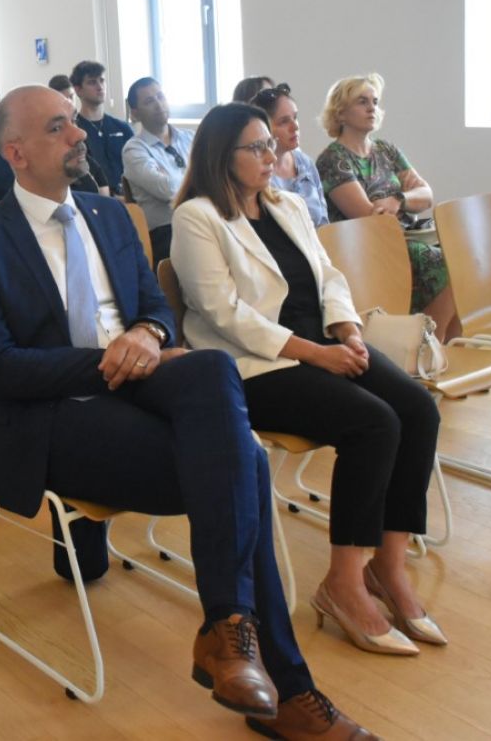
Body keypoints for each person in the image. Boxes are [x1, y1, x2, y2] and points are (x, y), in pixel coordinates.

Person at [0, 85, 377, 741]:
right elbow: (0, 367)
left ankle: (228, 630)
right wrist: (111, 359)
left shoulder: (110, 215)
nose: (79, 135)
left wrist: (148, 334)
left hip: (139, 383)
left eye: (74, 123)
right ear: (16, 153)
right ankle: (284, 686)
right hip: (53, 412)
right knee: (243, 467)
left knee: (211, 369)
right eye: (59, 127)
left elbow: (154, 308)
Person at [171, 102, 446, 663]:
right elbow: (224, 314)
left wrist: (347, 331)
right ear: (222, 155)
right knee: (374, 423)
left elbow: (329, 277)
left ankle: (388, 567)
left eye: (271, 145)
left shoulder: (287, 204)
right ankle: (343, 582)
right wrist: (318, 354)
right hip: (256, 365)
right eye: (257, 147)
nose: (272, 156)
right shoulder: (197, 217)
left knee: (418, 408)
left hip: (324, 343)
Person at [315, 74, 458, 340]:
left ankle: (446, 346)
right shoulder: (333, 159)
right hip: (366, 247)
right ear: (341, 112)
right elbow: (370, 217)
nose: (372, 108)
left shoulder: (386, 150)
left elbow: (426, 195)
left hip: (403, 237)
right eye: (362, 102)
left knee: (460, 256)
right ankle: (426, 343)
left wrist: (398, 200)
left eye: (375, 101)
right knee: (444, 263)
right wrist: (405, 198)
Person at [121, 77, 193, 264]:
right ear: (135, 113)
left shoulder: (191, 138)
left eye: (160, 96)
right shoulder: (134, 149)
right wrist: (197, 177)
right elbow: (167, 189)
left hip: (202, 219)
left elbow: (216, 177)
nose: (158, 104)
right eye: (149, 101)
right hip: (166, 232)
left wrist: (173, 176)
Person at [251, 84, 328, 227]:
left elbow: (323, 221)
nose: (295, 126)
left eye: (295, 117)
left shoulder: (305, 163)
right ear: (263, 128)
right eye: (284, 121)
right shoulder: (255, 172)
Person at [70, 60, 132, 193]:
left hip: (128, 197)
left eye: (102, 81)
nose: (100, 87)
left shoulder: (122, 128)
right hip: (94, 196)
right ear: (78, 89)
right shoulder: (74, 131)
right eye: (92, 82)